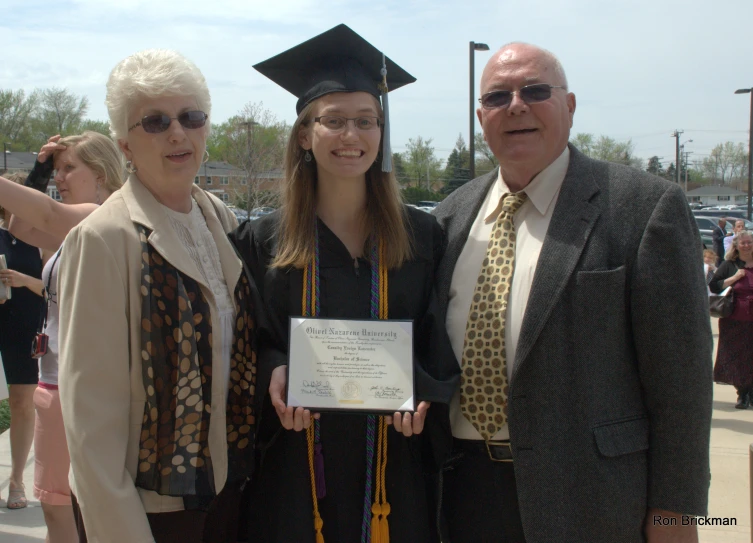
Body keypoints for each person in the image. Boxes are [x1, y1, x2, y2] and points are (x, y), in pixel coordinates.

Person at [431, 42, 712, 543]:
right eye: (498, 97)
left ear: (571, 106)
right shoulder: (450, 217)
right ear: (481, 117)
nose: (516, 105)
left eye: (535, 91)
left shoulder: (644, 208)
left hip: (590, 500)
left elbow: (682, 388)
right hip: (459, 493)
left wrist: (676, 516)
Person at [230, 25, 455, 543]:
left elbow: (437, 334)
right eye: (333, 121)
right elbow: (251, 338)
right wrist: (276, 370)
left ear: (382, 131)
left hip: (395, 461)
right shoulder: (263, 239)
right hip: (295, 460)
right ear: (305, 134)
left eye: (366, 121)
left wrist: (424, 392)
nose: (351, 135)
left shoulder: (422, 236)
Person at [57, 49, 256, 543]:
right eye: (155, 121)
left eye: (191, 117)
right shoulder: (103, 239)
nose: (177, 132)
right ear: (125, 143)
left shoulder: (222, 221)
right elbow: (89, 421)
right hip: (151, 510)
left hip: (228, 492)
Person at [0, 132, 124, 543]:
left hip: (86, 389)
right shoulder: (75, 223)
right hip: (55, 379)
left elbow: (48, 216)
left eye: (70, 168)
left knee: (75, 510)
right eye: (58, 171)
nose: (61, 178)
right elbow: (21, 226)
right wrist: (38, 170)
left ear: (102, 173)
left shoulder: (102, 216)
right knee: (57, 506)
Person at [0, 172, 45, 511]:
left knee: (21, 401)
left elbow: (55, 287)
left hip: (28, 325)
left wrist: (23, 280)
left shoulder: (42, 237)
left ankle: (16, 480)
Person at [709, 230, 753, 409]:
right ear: (736, 246)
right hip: (735, 319)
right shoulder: (729, 265)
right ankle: (742, 393)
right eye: (743, 243)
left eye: (749, 242)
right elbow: (714, 285)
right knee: (738, 357)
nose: (747, 245)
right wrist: (734, 278)